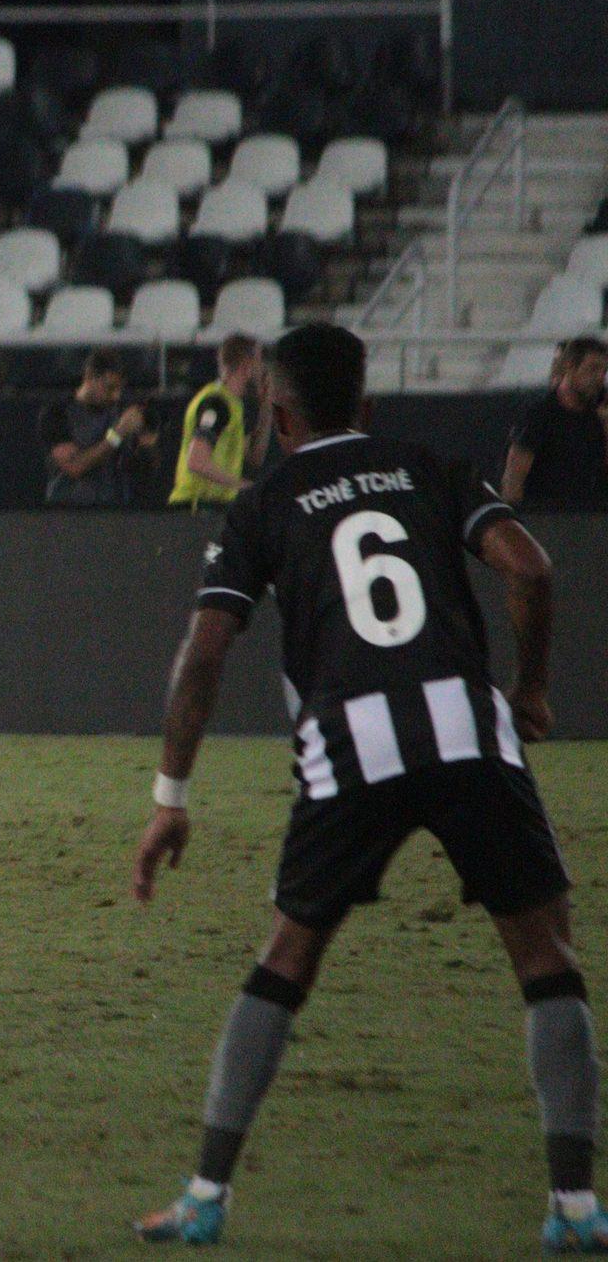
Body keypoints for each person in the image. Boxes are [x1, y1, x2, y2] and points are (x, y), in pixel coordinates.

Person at [128, 323, 602, 1251]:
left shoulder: (263, 502)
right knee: (548, 957)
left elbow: (206, 655)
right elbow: (531, 568)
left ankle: (205, 1195)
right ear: (368, 407)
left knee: (288, 956)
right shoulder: (429, 465)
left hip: (351, 742)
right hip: (468, 727)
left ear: (279, 415)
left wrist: (169, 795)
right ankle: (576, 1208)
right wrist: (533, 686)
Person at [38, 347, 159, 506]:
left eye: (118, 389)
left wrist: (146, 446)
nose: (115, 396)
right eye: (109, 388)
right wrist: (118, 434)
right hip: (68, 510)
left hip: (115, 510)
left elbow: (142, 469)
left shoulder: (122, 411)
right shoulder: (57, 412)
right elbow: (75, 465)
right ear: (89, 377)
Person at [501, 336, 608, 508]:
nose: (599, 378)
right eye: (593, 369)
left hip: (591, 520)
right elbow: (514, 477)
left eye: (604, 372)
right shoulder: (540, 415)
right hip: (548, 518)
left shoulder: (597, 417)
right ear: (570, 367)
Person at [168, 334, 267, 509]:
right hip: (197, 506)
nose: (262, 370)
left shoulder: (234, 404)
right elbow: (197, 461)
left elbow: (254, 457)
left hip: (215, 505)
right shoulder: (216, 404)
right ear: (247, 365)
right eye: (259, 362)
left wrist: (267, 408)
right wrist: (244, 487)